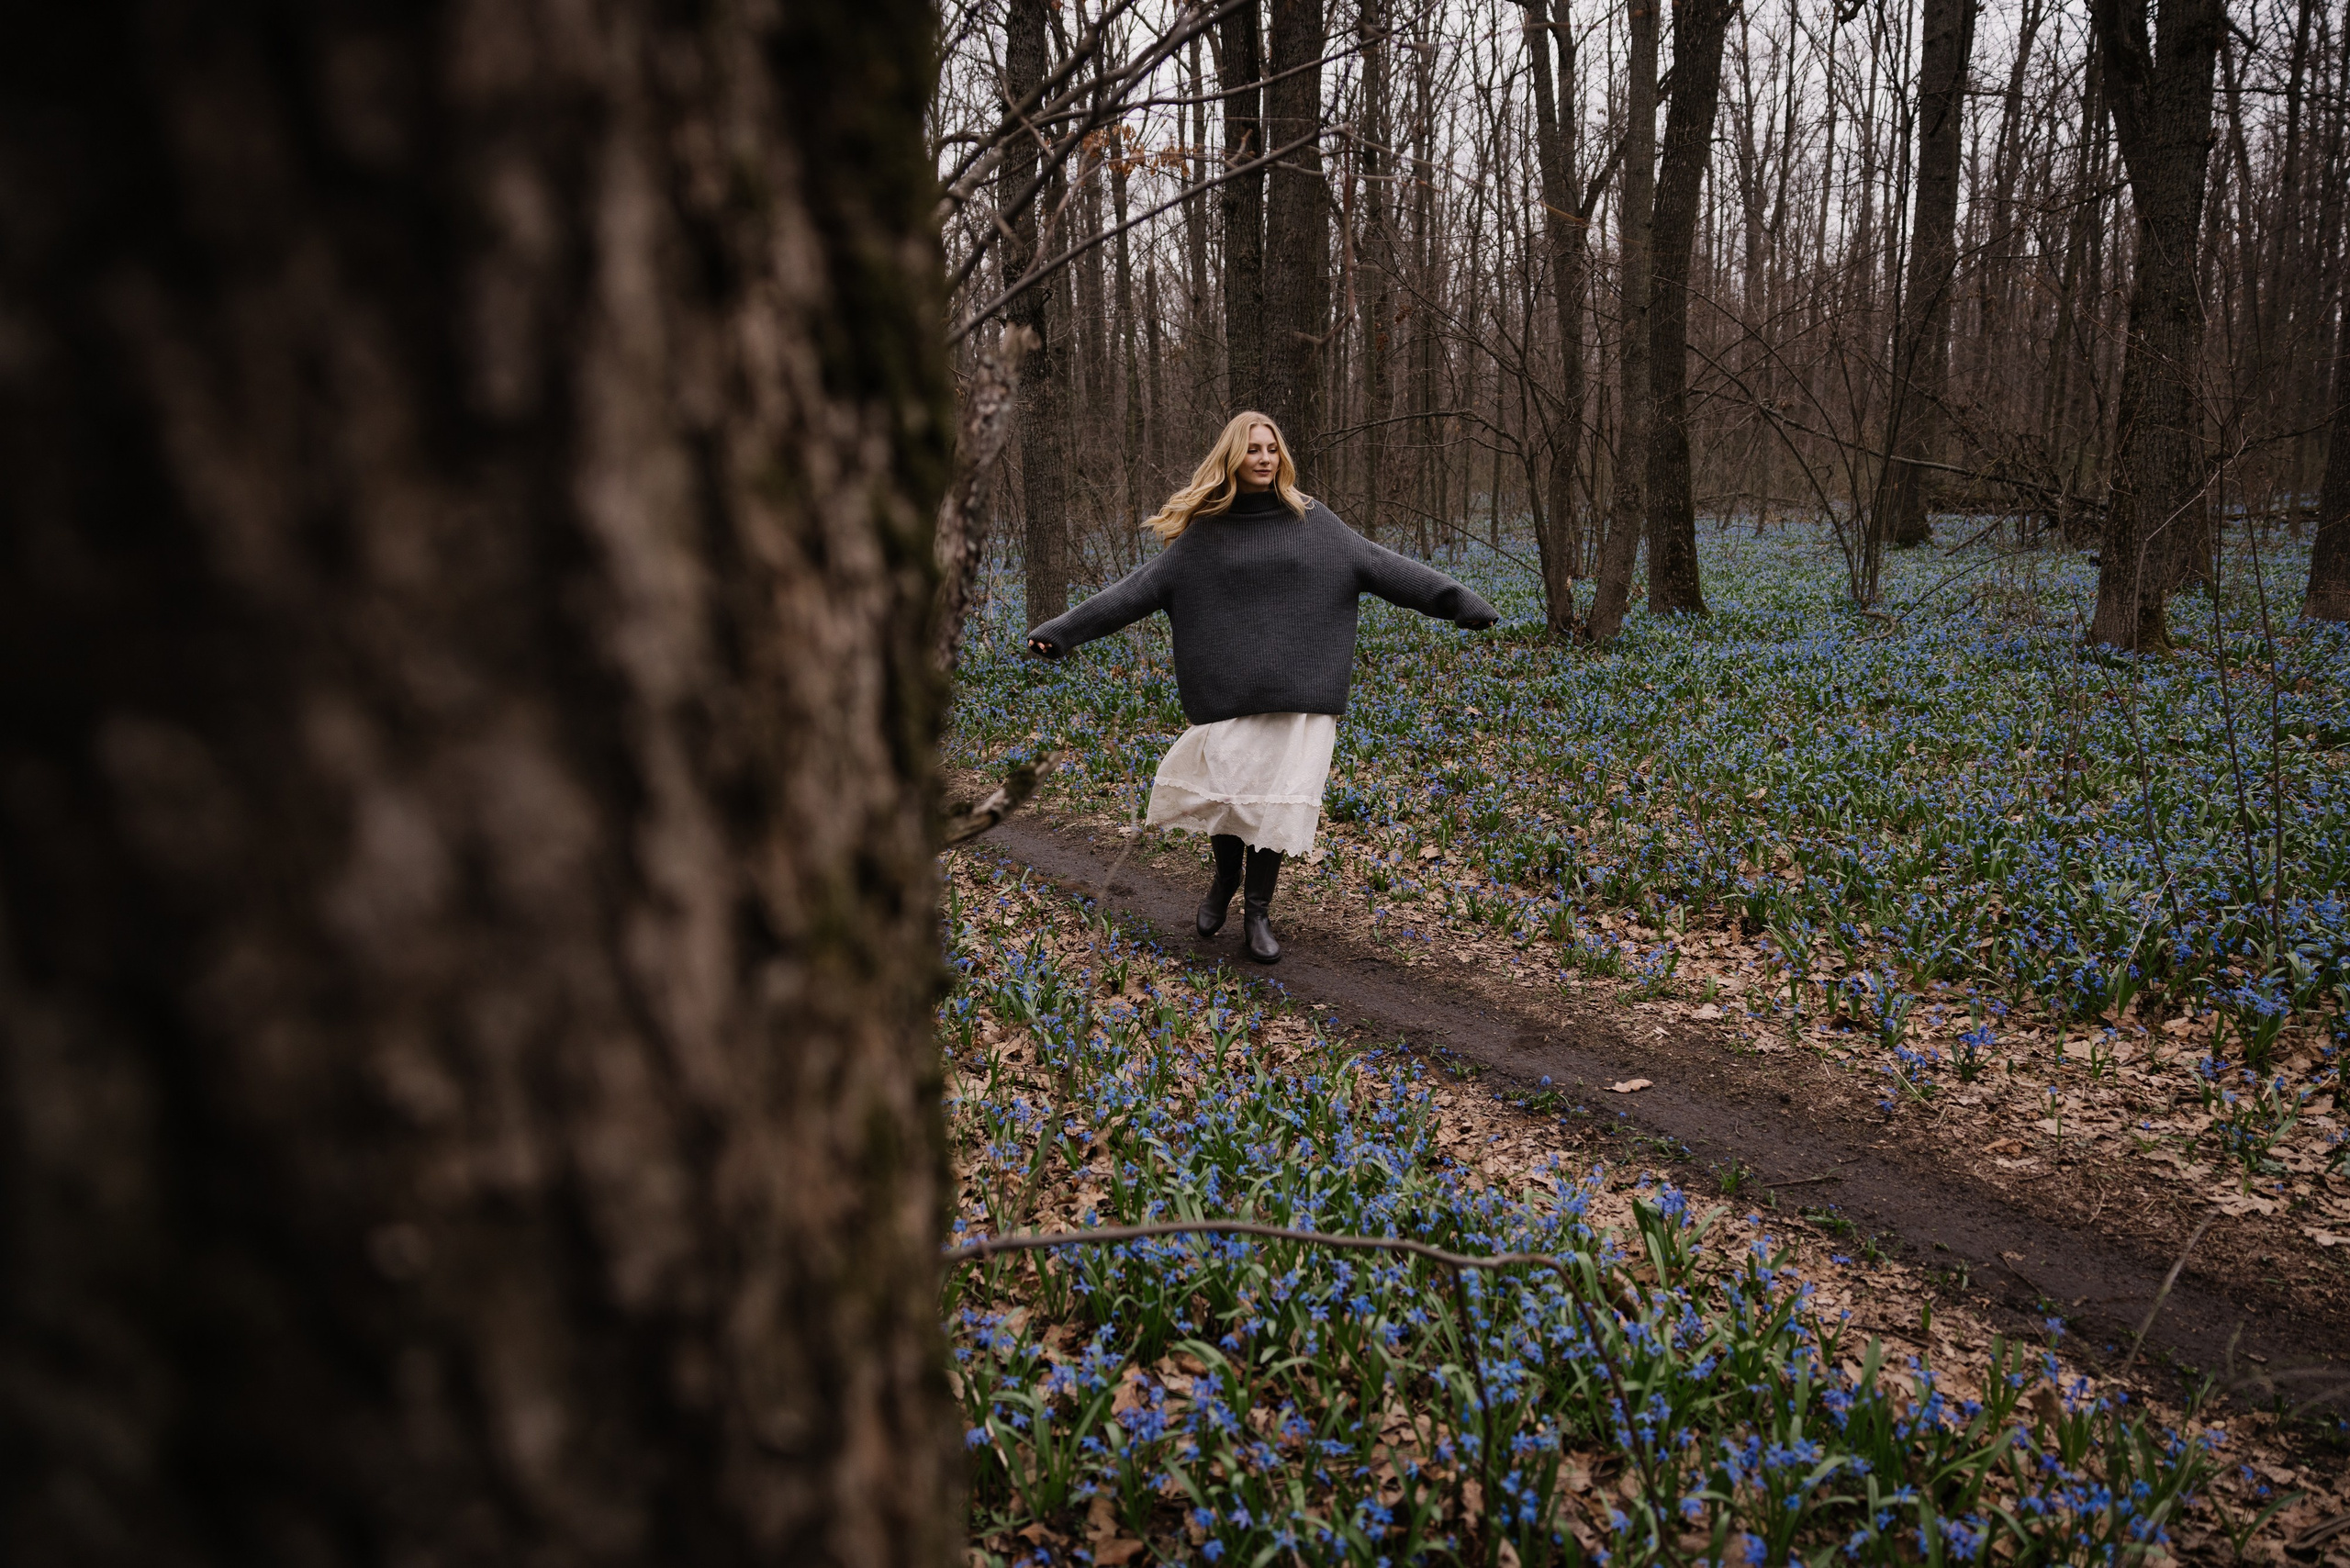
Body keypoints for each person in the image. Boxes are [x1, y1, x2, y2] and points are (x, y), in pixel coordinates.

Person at [1024, 412, 1499, 964]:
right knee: (1231, 795)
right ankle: (1224, 881)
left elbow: (1379, 564)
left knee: (1270, 803)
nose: (1265, 458)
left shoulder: (1312, 520)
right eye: (1253, 449)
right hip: (1229, 693)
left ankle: (1257, 912)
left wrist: (1458, 601)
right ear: (1233, 457)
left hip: (1297, 695)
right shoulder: (1206, 533)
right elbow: (1139, 590)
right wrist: (1061, 632)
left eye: (1272, 448)